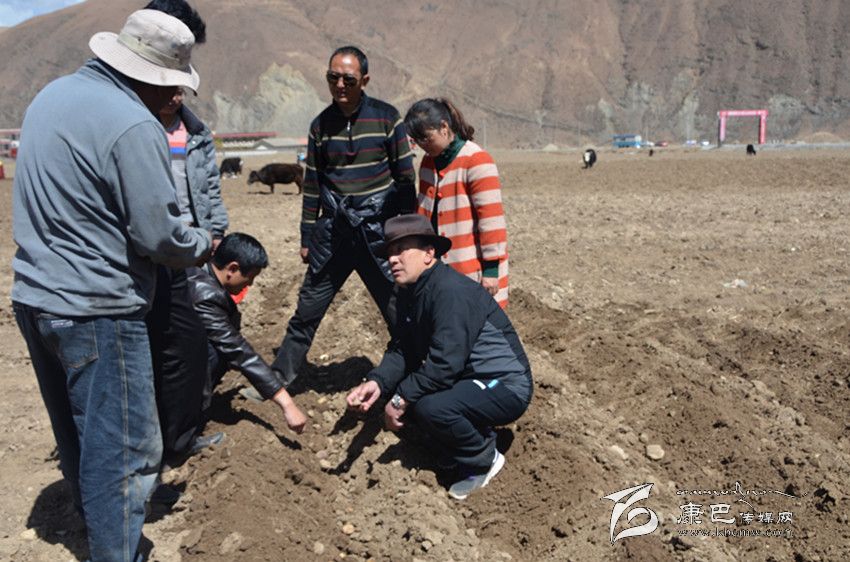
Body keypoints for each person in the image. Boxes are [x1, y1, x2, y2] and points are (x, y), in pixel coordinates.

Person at [11, 8, 210, 561]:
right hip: (97, 306)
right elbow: (159, 236)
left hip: (35, 296)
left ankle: (96, 522)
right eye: (171, 84)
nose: (174, 97)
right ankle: (116, 550)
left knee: (79, 433)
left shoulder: (52, 96)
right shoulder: (132, 123)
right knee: (126, 447)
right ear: (150, 76)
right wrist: (202, 242)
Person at [346, 215, 532, 500]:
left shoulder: (451, 292)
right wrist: (378, 382)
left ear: (429, 253)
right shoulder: (409, 293)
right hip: (468, 379)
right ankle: (453, 447)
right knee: (411, 399)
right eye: (389, 253)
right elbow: (403, 349)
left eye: (401, 250)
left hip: (504, 384)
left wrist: (399, 400)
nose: (393, 259)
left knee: (431, 407)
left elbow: (445, 364)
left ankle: (483, 459)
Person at [270, 45, 416, 386]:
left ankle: (416, 374)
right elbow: (312, 184)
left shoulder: (387, 118)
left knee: (399, 309)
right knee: (307, 310)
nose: (339, 85)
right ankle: (276, 381)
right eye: (332, 77)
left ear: (364, 80)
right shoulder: (320, 126)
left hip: (377, 234)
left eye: (348, 79)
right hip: (334, 234)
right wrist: (307, 237)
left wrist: (406, 236)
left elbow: (405, 180)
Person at [142, 0, 230, 465]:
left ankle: (179, 435)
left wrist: (214, 232)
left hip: (190, 246)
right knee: (155, 344)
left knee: (189, 340)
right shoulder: (135, 125)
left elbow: (210, 187)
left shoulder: (195, 132)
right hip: (147, 247)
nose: (176, 95)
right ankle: (153, 439)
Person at [186, 233, 307, 432]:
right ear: (232, 269)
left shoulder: (200, 275)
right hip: (173, 373)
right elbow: (238, 351)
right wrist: (286, 403)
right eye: (250, 277)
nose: (250, 284)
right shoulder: (205, 295)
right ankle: (186, 431)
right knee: (214, 354)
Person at [404, 98, 510, 307]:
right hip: (438, 270)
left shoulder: (476, 160)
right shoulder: (428, 163)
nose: (423, 145)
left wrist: (490, 271)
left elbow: (491, 220)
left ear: (444, 127)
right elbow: (423, 211)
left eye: (426, 138)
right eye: (417, 140)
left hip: (472, 271)